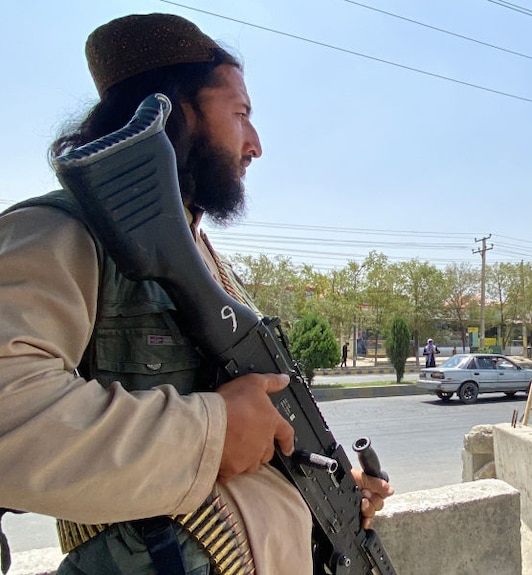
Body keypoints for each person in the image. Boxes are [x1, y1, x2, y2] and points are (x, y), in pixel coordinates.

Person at [0, 13, 392, 575]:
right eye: (240, 115)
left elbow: (252, 437)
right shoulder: (59, 232)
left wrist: (326, 481)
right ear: (175, 111)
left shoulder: (203, 260)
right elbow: (11, 411)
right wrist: (210, 431)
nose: (255, 144)